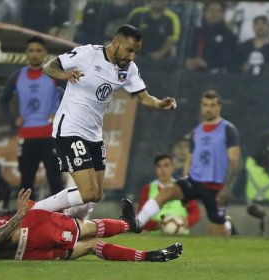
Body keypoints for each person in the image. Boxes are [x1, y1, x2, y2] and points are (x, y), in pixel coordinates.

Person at [39, 25, 177, 217]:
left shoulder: (129, 70)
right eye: (129, 50)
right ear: (115, 43)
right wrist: (65, 74)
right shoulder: (87, 54)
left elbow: (145, 98)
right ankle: (36, 211)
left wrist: (160, 103)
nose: (132, 56)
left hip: (94, 134)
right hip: (70, 129)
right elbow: (49, 67)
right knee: (87, 192)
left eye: (136, 52)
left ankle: (60, 224)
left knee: (95, 195)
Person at [0, 182, 182, 261]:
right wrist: (19, 215)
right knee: (85, 228)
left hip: (19, 254)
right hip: (26, 231)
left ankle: (149, 256)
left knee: (88, 246)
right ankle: (131, 225)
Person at [137, 90, 240, 236]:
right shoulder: (196, 132)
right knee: (167, 192)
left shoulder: (228, 130)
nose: (208, 108)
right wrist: (186, 182)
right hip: (195, 181)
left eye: (212, 105)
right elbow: (190, 160)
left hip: (215, 186)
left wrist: (226, 189)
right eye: (205, 105)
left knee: (217, 231)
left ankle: (228, 227)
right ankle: (135, 225)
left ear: (219, 107)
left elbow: (234, 161)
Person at [0, 36, 64, 200]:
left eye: (39, 50)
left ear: (45, 53)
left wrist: (58, 114)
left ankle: (61, 220)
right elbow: (2, 101)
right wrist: (13, 121)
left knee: (55, 180)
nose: (35, 54)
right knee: (26, 182)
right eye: (31, 50)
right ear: (27, 53)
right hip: (27, 137)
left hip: (50, 136)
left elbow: (71, 96)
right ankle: (28, 220)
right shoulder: (17, 76)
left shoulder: (54, 74)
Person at [138, 153, 200, 233]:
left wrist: (186, 222)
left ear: (173, 168)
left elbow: (195, 213)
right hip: (156, 236)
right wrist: (156, 225)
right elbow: (140, 217)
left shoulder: (183, 187)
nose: (163, 170)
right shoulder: (148, 189)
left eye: (166, 165)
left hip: (181, 236)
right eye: (159, 166)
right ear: (155, 169)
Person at [185, 2, 237, 73]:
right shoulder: (195, 33)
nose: (213, 14)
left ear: (223, 14)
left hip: (216, 75)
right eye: (210, 10)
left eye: (217, 11)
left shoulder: (228, 35)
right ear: (204, 13)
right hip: (191, 73)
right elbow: (185, 52)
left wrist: (207, 63)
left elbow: (229, 58)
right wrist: (188, 61)